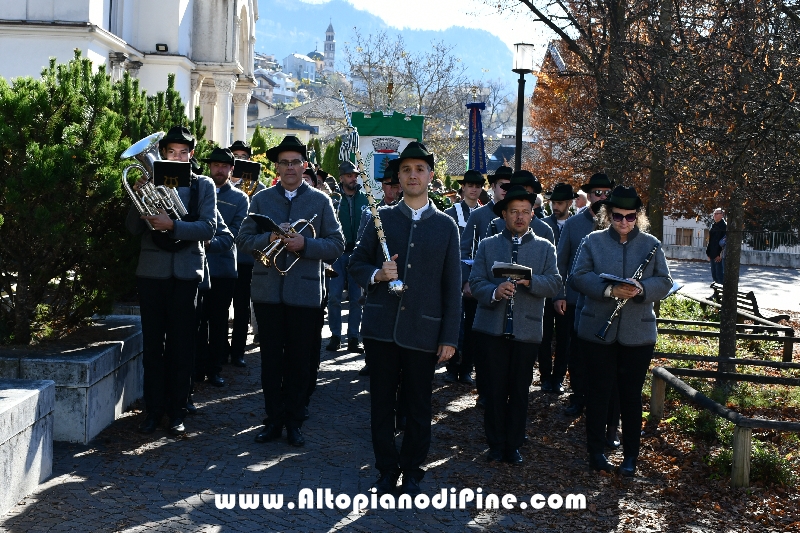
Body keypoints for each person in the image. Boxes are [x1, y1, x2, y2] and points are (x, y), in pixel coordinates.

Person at [348, 141, 461, 495]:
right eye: (407, 170)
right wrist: (377, 275)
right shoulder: (380, 219)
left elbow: (452, 286)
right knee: (381, 404)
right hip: (382, 329)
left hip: (423, 330)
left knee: (418, 405)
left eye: (420, 169)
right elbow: (355, 264)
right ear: (398, 176)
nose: (413, 175)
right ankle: (386, 469)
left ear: (430, 175)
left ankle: (413, 469)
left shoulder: (446, 226)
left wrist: (450, 336)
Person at [236, 135, 344, 447]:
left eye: (296, 162)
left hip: (305, 295)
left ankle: (295, 421)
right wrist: (269, 236)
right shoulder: (261, 199)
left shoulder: (321, 201)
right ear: (277, 167)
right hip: (268, 292)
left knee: (299, 362)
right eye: (284, 162)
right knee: (270, 361)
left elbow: (337, 244)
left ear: (305, 165)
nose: (290, 167)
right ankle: (273, 420)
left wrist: (304, 244)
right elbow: (242, 240)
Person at [571, 186, 672, 476]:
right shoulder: (592, 241)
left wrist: (641, 288)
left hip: (637, 334)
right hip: (596, 330)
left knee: (630, 396)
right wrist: (609, 289)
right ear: (607, 214)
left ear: (638, 216)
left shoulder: (651, 244)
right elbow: (578, 276)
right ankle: (595, 454)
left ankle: (630, 457)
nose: (624, 222)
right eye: (617, 216)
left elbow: (664, 282)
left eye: (630, 217)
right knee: (598, 393)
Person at [126, 126, 217, 436]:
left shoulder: (203, 185)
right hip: (151, 272)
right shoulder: (149, 182)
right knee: (153, 347)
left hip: (186, 275)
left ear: (191, 155)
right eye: (170, 152)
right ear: (162, 154)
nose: (177, 157)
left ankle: (177, 412)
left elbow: (208, 229)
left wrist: (172, 224)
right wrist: (138, 195)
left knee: (181, 345)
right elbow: (131, 229)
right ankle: (153, 412)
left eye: (183, 152)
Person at [470, 186, 561, 464]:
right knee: (494, 390)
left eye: (525, 212)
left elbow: (556, 282)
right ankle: (495, 444)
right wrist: (494, 292)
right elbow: (475, 282)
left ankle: (514, 445)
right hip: (491, 329)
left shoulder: (545, 247)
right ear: (504, 215)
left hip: (527, 330)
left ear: (532, 214)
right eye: (514, 212)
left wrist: (532, 282)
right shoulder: (488, 245)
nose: (520, 217)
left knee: (520, 391)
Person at [557, 172, 614, 416]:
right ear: (588, 196)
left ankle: (600, 398)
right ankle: (578, 396)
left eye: (605, 193)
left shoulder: (617, 222)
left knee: (603, 352)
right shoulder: (572, 224)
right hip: (574, 298)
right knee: (576, 351)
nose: (601, 197)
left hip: (608, 300)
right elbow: (561, 262)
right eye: (597, 193)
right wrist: (559, 294)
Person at [459, 165, 513, 405]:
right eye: (503, 186)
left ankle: (502, 388)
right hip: (480, 288)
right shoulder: (479, 216)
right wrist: (467, 280)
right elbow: (464, 249)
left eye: (510, 187)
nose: (506, 190)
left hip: (511, 292)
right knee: (476, 335)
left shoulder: (518, 216)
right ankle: (474, 378)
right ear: (492, 187)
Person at [194, 148, 248, 386]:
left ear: (231, 169)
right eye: (215, 165)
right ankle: (197, 368)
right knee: (198, 322)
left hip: (224, 269)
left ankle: (215, 368)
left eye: (224, 166)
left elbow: (236, 233)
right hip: (197, 267)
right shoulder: (198, 191)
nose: (219, 169)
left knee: (218, 322)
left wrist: (208, 242)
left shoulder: (240, 198)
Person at [443, 169, 485, 385]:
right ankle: (452, 366)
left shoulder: (485, 213)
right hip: (456, 276)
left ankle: (467, 367)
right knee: (454, 323)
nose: (474, 189)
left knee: (472, 327)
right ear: (463, 188)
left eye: (477, 185)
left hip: (478, 278)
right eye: (470, 185)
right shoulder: (451, 213)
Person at [326, 160, 369, 353]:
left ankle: (353, 337)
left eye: (355, 175)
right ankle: (335, 336)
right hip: (336, 254)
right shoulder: (334, 199)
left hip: (358, 254)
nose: (353, 179)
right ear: (341, 178)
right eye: (349, 175)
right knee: (334, 296)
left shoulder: (365, 199)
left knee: (356, 298)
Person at [228, 140, 265, 366]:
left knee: (242, 306)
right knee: (220, 307)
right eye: (236, 156)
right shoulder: (221, 186)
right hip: (223, 256)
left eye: (244, 156)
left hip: (246, 257)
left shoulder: (260, 190)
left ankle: (238, 351)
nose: (240, 160)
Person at [539, 183, 577, 393]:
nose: (555, 206)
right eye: (553, 202)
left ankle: (559, 377)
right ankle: (545, 376)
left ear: (569, 203)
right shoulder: (544, 225)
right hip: (545, 291)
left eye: (560, 202)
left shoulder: (576, 225)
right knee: (543, 337)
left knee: (565, 339)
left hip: (568, 292)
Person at [487, 171, 554, 244]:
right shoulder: (495, 226)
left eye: (527, 193)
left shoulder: (544, 230)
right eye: (517, 193)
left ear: (533, 196)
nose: (521, 198)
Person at [707, 207, 726, 284]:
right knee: (714, 275)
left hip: (719, 255)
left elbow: (724, 242)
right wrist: (708, 253)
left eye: (717, 213)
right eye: (714, 213)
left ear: (722, 215)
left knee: (719, 275)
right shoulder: (713, 226)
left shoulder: (724, 226)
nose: (715, 215)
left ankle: (721, 293)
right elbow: (710, 241)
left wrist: (720, 254)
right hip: (712, 254)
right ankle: (716, 294)